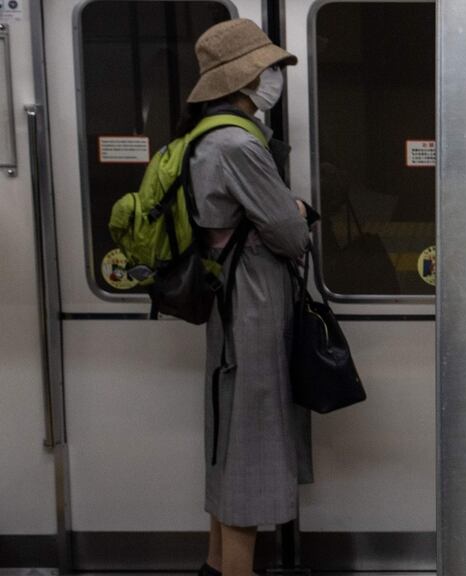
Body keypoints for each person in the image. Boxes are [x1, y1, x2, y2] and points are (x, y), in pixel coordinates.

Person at [182, 18, 312, 576]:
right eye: (270, 69)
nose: (275, 79)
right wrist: (298, 214)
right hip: (255, 304)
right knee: (253, 451)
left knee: (231, 440)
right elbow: (290, 233)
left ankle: (215, 565)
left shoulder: (205, 136)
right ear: (246, 77)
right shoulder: (238, 144)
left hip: (230, 303)